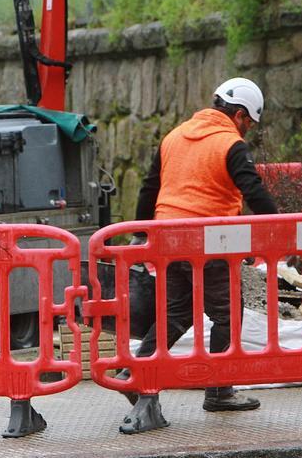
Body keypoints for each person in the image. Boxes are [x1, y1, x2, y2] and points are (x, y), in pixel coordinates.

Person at [119, 77, 279, 412]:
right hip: (210, 241)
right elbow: (254, 191)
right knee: (226, 314)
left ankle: (134, 372)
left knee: (177, 311)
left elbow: (150, 187)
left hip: (168, 238)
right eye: (248, 122)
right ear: (238, 114)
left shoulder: (174, 137)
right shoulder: (230, 144)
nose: (247, 129)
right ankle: (219, 391)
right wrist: (279, 229)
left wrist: (140, 232)